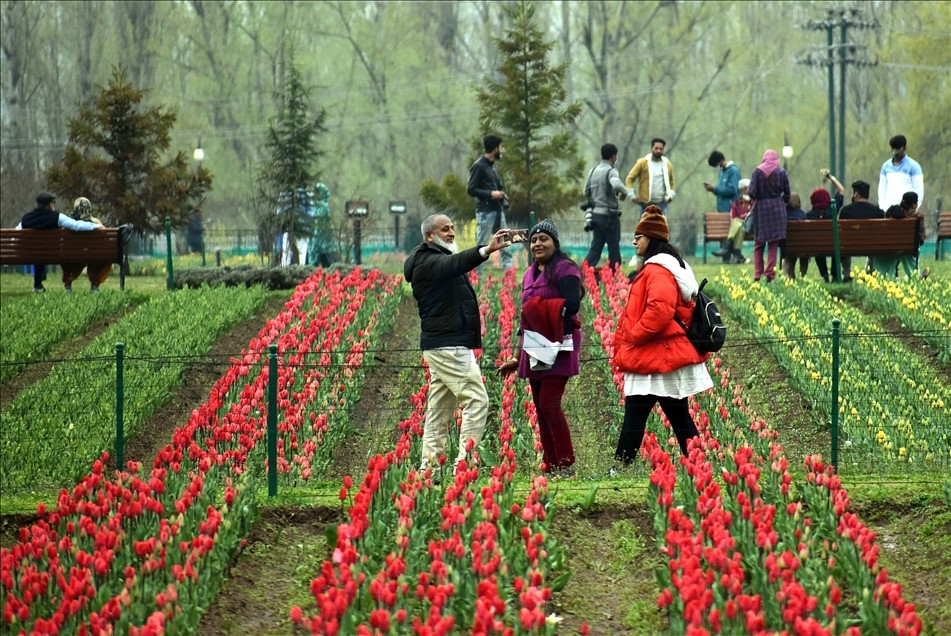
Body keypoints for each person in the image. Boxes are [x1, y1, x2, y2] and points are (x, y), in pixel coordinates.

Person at [403, 214, 510, 472]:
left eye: (452, 227)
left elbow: (454, 265)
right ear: (430, 236)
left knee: (440, 409)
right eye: (445, 229)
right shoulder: (428, 262)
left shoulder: (435, 259)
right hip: (447, 345)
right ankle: (466, 463)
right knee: (477, 400)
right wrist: (486, 250)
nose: (452, 233)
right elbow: (455, 264)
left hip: (445, 343)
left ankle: (429, 469)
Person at [612, 206, 712, 462]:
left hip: (653, 354)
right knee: (677, 413)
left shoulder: (657, 270)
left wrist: (634, 334)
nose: (635, 241)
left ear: (652, 239)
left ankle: (622, 466)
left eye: (639, 236)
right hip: (663, 354)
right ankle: (697, 461)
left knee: (638, 413)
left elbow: (659, 311)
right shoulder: (670, 267)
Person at [498, 219, 582, 477]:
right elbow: (526, 318)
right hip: (534, 345)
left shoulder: (565, 268)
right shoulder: (528, 275)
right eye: (534, 240)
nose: (537, 243)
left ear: (555, 243)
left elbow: (572, 304)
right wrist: (516, 355)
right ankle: (552, 464)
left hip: (559, 343)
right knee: (540, 406)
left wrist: (552, 318)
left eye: (543, 239)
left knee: (549, 403)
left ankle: (566, 464)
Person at [16, 192, 102, 292]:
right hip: (52, 254)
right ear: (49, 205)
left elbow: (16, 233)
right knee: (42, 250)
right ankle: (38, 286)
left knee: (38, 251)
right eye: (53, 203)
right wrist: (97, 226)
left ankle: (38, 285)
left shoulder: (26, 218)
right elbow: (77, 226)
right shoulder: (56, 217)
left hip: (29, 254)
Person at [582, 143, 633, 271]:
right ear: (613, 156)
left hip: (596, 216)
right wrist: (625, 191)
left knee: (596, 247)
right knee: (613, 248)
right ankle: (614, 276)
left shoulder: (592, 171)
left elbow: (585, 192)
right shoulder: (611, 171)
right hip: (610, 217)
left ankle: (584, 272)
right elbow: (616, 184)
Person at [468, 135, 514, 276]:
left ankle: (509, 278)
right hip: (485, 212)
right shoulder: (479, 166)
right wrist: (491, 194)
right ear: (495, 149)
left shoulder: (493, 166)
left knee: (505, 244)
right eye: (500, 147)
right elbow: (471, 189)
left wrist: (501, 194)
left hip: (498, 211)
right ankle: (476, 278)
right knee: (482, 246)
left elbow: (499, 186)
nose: (501, 150)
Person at [747, 150, 790, 283]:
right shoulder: (781, 172)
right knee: (773, 244)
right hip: (777, 210)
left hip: (761, 210)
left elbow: (751, 192)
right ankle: (770, 274)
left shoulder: (757, 172)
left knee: (758, 244)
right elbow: (787, 194)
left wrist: (760, 197)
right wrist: (779, 200)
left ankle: (758, 274)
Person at [61, 197, 111, 292]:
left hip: (72, 256)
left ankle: (68, 284)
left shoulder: (68, 224)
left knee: (69, 259)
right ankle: (95, 284)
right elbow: (105, 241)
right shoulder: (96, 223)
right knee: (103, 258)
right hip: (93, 256)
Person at [838, 180, 884, 281]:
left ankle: (846, 273)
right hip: (873, 246)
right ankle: (871, 272)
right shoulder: (878, 212)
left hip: (848, 247)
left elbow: (841, 233)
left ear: (856, 194)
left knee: (843, 244)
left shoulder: (846, 211)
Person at [877, 192, 930, 279]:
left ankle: (888, 277)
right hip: (907, 250)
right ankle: (915, 276)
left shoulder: (892, 212)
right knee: (911, 248)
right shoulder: (916, 219)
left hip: (885, 249)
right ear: (914, 205)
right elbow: (921, 241)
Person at [806, 173, 845, 282]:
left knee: (818, 247)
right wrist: (831, 178)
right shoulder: (833, 209)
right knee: (835, 246)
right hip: (834, 245)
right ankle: (835, 275)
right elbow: (841, 190)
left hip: (818, 248)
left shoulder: (809, 215)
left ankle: (825, 275)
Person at [705, 150, 741, 264]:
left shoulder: (733, 171)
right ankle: (726, 260)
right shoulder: (722, 172)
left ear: (720, 161)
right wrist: (714, 190)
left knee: (730, 233)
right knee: (723, 233)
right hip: (722, 207)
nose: (716, 167)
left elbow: (732, 190)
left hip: (731, 208)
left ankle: (736, 257)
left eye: (716, 164)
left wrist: (714, 189)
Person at [625, 137, 675, 215]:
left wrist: (670, 196)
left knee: (661, 227)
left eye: (661, 149)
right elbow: (630, 179)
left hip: (661, 204)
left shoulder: (667, 164)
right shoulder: (642, 163)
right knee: (645, 227)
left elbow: (672, 181)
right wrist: (632, 196)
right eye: (656, 148)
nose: (658, 151)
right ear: (651, 148)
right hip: (646, 204)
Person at [878, 134, 923, 211]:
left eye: (898, 148)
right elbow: (882, 188)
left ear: (904, 148)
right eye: (893, 148)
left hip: (907, 211)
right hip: (889, 210)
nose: (895, 150)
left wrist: (913, 209)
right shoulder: (886, 166)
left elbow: (919, 190)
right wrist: (883, 207)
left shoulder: (914, 166)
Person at [720, 178, 752, 264]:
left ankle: (726, 247)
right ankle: (737, 255)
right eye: (746, 188)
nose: (748, 190)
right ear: (741, 190)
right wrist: (744, 217)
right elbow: (733, 218)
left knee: (738, 221)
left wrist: (742, 217)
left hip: (751, 228)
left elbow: (752, 215)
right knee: (740, 226)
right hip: (741, 228)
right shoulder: (736, 204)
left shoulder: (753, 201)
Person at [306, 182, 335, 268]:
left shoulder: (321, 207)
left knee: (314, 267)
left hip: (321, 243)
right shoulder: (321, 206)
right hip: (326, 243)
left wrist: (314, 242)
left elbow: (318, 225)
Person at [782, 193, 809, 279]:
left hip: (787, 247)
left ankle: (789, 274)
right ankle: (803, 275)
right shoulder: (803, 215)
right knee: (803, 253)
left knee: (789, 254)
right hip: (803, 248)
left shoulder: (782, 214)